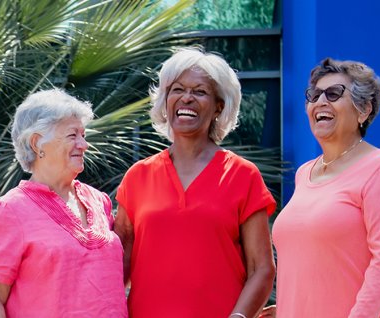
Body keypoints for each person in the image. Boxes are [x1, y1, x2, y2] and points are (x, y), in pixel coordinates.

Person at [114, 47, 276, 318]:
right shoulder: (137, 176)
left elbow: (262, 269)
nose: (186, 98)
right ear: (165, 101)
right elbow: (119, 266)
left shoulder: (242, 175)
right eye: (177, 90)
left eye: (200, 91)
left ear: (218, 106)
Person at [270, 58, 380, 317]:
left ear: (363, 110)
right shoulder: (305, 173)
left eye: (334, 94)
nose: (320, 101)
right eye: (314, 95)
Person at [0, 89, 128, 317]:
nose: (83, 144)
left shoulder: (99, 201)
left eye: (83, 135)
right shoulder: (9, 211)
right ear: (37, 144)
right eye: (73, 135)